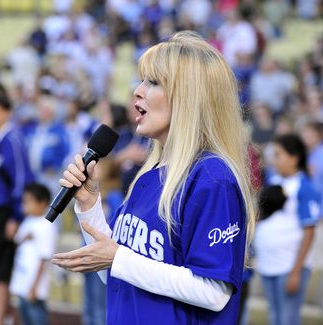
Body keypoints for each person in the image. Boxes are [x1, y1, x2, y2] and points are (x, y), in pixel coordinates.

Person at [52, 31, 255, 324]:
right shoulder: (150, 174)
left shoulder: (212, 176)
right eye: (142, 80)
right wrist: (89, 205)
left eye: (154, 82)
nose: (137, 91)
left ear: (189, 98)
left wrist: (119, 259)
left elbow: (214, 292)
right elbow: (117, 275)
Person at [0, 92, 34, 325]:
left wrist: (15, 216)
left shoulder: (12, 140)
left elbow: (22, 180)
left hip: (1, 214)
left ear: (6, 113)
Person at [254, 134, 320, 325]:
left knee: (288, 319)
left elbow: (309, 230)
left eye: (278, 155)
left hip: (288, 265)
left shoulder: (304, 187)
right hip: (269, 264)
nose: (274, 160)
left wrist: (296, 271)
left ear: (294, 158)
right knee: (275, 317)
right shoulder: (274, 181)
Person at [10, 182, 57, 325]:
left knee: (37, 319)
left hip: (33, 287)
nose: (24, 205)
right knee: (26, 319)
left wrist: (34, 287)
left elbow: (44, 258)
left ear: (43, 203)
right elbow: (18, 240)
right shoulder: (28, 221)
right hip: (22, 283)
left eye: (28, 201)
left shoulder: (46, 225)